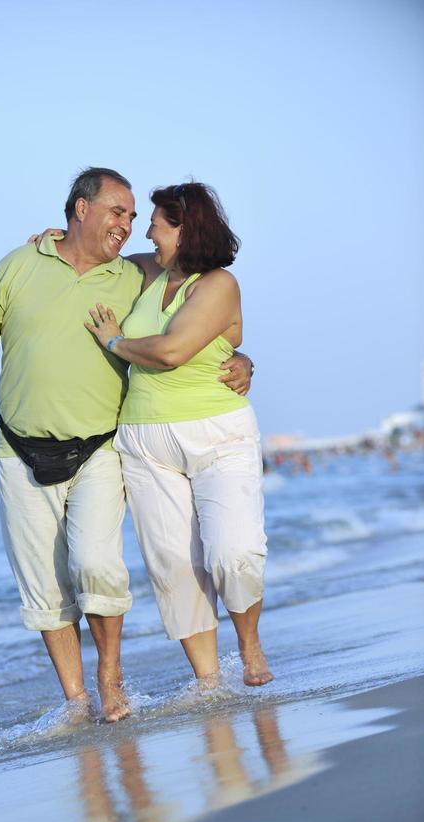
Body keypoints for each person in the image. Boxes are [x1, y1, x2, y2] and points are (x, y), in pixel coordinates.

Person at [0, 168, 254, 722]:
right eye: (117, 212)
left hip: (102, 448)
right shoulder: (18, 265)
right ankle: (76, 702)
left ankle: (110, 678)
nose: (129, 226)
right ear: (81, 209)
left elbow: (198, 304)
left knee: (98, 566)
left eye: (133, 216)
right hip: (20, 451)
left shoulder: (132, 276)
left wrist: (243, 359)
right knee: (45, 586)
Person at [83, 182, 272, 688]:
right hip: (144, 440)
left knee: (233, 552)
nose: (146, 230)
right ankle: (209, 681)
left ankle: (250, 646)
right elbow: (96, 250)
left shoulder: (218, 284)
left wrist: (115, 341)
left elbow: (172, 351)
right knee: (173, 566)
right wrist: (59, 235)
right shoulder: (149, 273)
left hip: (218, 433)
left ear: (185, 229)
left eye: (157, 223)